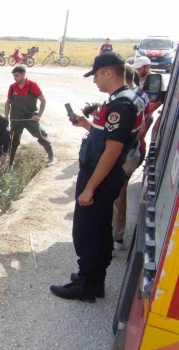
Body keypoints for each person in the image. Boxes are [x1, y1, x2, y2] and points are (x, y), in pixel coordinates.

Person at [50, 52, 140, 302]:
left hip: (100, 175)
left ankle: (87, 285)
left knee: (86, 230)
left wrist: (89, 188)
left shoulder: (120, 105)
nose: (94, 81)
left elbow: (112, 151)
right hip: (103, 173)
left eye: (97, 75)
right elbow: (108, 138)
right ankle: (93, 279)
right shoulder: (124, 99)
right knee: (97, 228)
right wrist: (86, 125)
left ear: (109, 73)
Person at [111, 64, 149, 252]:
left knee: (118, 194)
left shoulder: (128, 100)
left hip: (128, 154)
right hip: (135, 151)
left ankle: (116, 237)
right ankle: (115, 235)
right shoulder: (140, 95)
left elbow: (140, 130)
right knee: (118, 194)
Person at [5, 66, 56, 167]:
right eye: (14, 76)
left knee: (41, 136)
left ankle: (51, 157)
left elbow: (43, 101)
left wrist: (39, 115)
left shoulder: (32, 85)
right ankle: (10, 163)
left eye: (16, 76)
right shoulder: (12, 87)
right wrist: (6, 118)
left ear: (23, 74)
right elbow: (8, 103)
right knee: (13, 141)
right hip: (16, 118)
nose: (15, 78)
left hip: (30, 117)